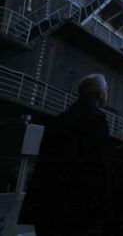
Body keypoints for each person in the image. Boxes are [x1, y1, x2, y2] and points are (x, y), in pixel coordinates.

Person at [19, 74, 111, 236]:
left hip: (46, 203)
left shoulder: (60, 119)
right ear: (100, 94)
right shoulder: (96, 118)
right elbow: (97, 165)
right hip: (75, 205)